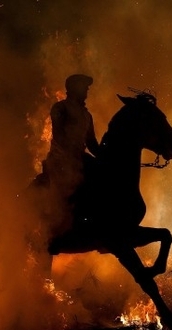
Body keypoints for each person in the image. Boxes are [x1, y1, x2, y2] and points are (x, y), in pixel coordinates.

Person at [42, 74, 100, 233]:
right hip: (61, 159)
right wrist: (74, 152)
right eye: (84, 87)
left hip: (78, 158)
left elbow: (92, 142)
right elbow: (59, 134)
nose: (87, 91)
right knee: (66, 186)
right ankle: (56, 222)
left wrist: (107, 157)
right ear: (74, 88)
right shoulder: (60, 108)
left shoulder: (87, 115)